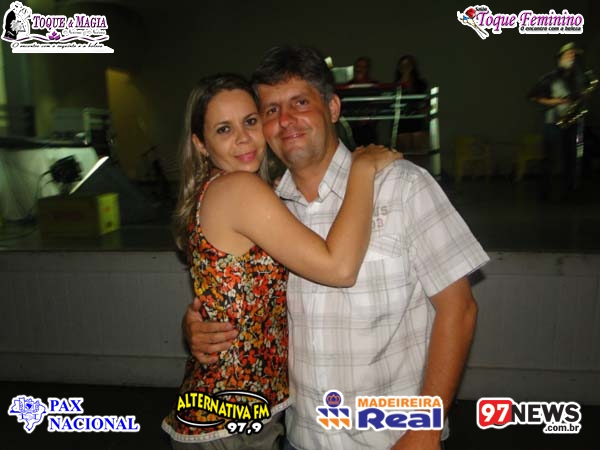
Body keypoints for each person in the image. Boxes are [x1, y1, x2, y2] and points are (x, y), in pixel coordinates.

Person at [184, 46, 489, 450]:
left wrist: (425, 428)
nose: (285, 119)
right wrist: (201, 323)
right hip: (300, 436)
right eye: (271, 110)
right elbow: (243, 294)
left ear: (332, 107)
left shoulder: (402, 185)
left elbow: (459, 309)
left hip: (391, 437)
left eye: (299, 102)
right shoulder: (268, 207)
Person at [161, 73, 401, 449]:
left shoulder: (235, 189)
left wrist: (193, 324)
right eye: (224, 129)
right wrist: (362, 168)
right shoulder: (239, 189)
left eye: (250, 121)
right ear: (201, 144)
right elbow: (339, 268)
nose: (243, 138)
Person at [528, 42, 594, 201]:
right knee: (549, 159)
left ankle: (569, 192)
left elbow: (581, 97)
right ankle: (545, 193)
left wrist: (583, 98)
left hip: (573, 123)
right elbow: (534, 97)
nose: (571, 57)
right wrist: (558, 101)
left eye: (573, 55)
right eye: (568, 54)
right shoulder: (549, 78)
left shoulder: (578, 79)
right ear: (559, 58)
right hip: (553, 123)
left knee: (571, 158)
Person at [393, 54, 430, 152]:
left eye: (408, 65)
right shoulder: (396, 85)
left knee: (419, 149)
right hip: (402, 120)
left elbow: (424, 100)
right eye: (403, 65)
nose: (405, 68)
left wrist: (423, 110)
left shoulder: (421, 84)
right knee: (405, 150)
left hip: (417, 119)